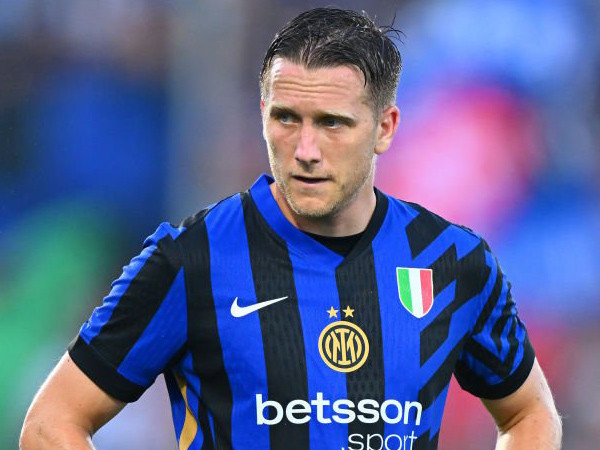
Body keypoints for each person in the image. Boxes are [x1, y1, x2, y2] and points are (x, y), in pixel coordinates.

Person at [20, 7, 561, 450]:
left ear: (385, 128)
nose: (305, 150)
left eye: (332, 123)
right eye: (286, 118)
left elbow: (529, 413)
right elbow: (50, 423)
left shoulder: (453, 261)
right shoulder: (192, 259)